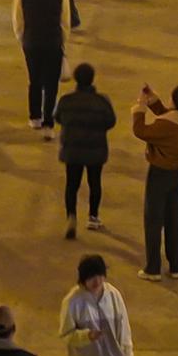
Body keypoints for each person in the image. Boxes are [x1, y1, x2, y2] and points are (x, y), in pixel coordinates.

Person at [132, 83, 178, 280]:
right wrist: (153, 100)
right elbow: (165, 117)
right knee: (174, 219)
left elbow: (142, 131)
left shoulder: (167, 126)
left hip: (159, 174)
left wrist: (140, 109)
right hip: (176, 174)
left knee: (153, 220)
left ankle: (153, 268)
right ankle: (176, 265)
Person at [56, 63, 116, 241]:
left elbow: (58, 117)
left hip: (72, 150)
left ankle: (71, 216)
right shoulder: (102, 101)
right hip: (95, 149)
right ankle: (93, 216)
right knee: (94, 182)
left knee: (71, 185)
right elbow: (110, 121)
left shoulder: (66, 100)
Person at [12, 0, 70, 137]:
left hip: (31, 41)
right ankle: (48, 124)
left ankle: (34, 116)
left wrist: (23, 39)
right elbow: (65, 18)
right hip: (53, 40)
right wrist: (62, 39)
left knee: (34, 80)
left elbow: (17, 19)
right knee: (52, 83)